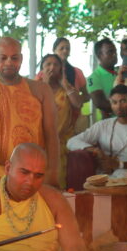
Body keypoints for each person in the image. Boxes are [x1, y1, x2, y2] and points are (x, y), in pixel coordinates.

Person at [0, 37, 58, 190]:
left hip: (34, 177)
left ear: (21, 59)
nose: (9, 62)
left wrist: (52, 174)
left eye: (14, 58)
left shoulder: (41, 90)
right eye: (3, 58)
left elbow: (52, 134)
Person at [68, 84, 127, 186]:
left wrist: (119, 164)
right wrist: (94, 150)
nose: (119, 106)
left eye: (123, 101)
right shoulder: (103, 125)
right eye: (114, 102)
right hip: (110, 178)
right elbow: (71, 142)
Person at [40, 53, 84, 187]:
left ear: (61, 69)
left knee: (58, 184)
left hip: (62, 145)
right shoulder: (35, 88)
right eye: (48, 64)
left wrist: (65, 84)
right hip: (40, 143)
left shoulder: (65, 90)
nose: (52, 67)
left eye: (56, 64)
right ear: (42, 69)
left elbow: (77, 103)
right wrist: (45, 85)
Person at [87, 38, 119, 119]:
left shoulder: (121, 72)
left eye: (115, 51)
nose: (115, 54)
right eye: (110, 52)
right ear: (99, 55)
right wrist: (126, 108)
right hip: (110, 125)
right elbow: (100, 103)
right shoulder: (94, 78)